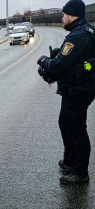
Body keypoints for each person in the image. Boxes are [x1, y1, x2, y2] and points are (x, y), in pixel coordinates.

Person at [36, 0, 95, 184]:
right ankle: (70, 161)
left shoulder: (78, 36)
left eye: (64, 14)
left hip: (78, 90)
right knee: (65, 123)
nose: (62, 17)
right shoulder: (83, 31)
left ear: (71, 15)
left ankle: (80, 172)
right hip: (77, 87)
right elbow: (73, 61)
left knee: (77, 130)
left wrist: (45, 61)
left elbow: (60, 64)